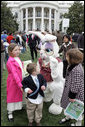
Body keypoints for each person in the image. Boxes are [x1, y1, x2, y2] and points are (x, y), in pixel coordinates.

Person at [59, 48, 84, 126]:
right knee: (67, 106)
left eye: (67, 56)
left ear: (72, 58)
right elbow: (64, 75)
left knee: (76, 108)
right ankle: (68, 117)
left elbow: (76, 84)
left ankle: (78, 123)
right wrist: (65, 64)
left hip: (76, 94)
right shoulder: (72, 65)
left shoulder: (77, 69)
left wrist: (72, 96)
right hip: (69, 90)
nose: (66, 57)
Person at [6, 43, 24, 122]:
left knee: (19, 94)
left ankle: (19, 106)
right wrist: (19, 84)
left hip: (20, 79)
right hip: (13, 82)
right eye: (15, 50)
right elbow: (14, 73)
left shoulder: (17, 58)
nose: (18, 51)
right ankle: (10, 112)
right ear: (10, 51)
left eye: (18, 49)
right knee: (12, 96)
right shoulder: (10, 61)